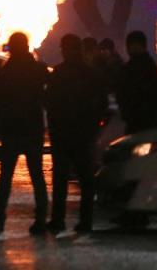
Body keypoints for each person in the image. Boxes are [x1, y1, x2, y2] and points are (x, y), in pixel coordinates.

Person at [0, 33, 49, 235]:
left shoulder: (6, 72)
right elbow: (48, 96)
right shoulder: (39, 69)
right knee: (37, 176)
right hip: (32, 129)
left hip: (11, 130)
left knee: (6, 177)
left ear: (12, 48)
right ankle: (40, 220)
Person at [45, 34, 108, 234]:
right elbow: (102, 104)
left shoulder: (59, 73)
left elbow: (49, 102)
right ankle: (85, 221)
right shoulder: (91, 73)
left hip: (64, 133)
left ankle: (58, 220)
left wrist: (54, 128)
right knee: (86, 180)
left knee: (61, 179)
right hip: (83, 133)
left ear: (65, 49)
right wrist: (93, 127)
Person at [116, 31, 157, 135]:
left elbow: (122, 93)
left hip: (136, 121)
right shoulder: (150, 66)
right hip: (148, 121)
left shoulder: (130, 68)